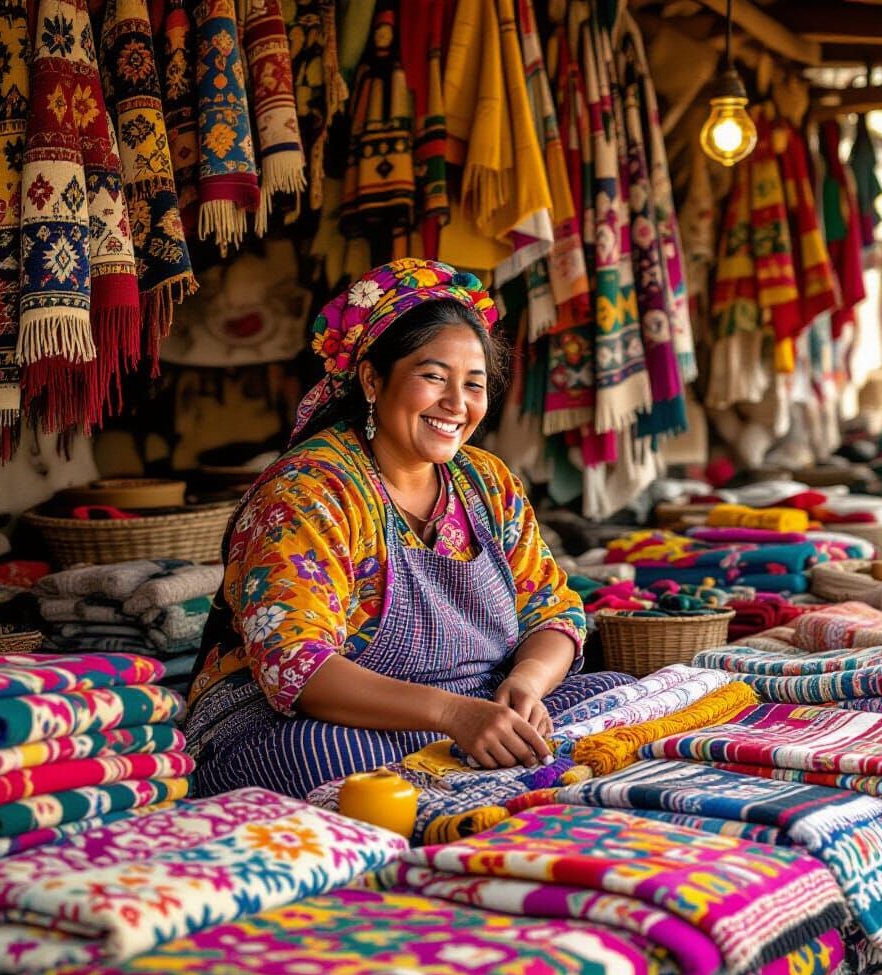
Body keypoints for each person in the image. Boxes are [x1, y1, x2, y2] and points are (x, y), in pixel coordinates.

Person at [185, 259, 633, 799]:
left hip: (472, 703)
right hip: (311, 725)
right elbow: (297, 666)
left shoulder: (487, 481)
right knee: (326, 759)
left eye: (474, 384)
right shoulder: (309, 491)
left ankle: (471, 775)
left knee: (616, 695)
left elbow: (554, 610)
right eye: (433, 377)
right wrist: (451, 715)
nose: (456, 404)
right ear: (373, 379)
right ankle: (483, 782)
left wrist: (525, 685)